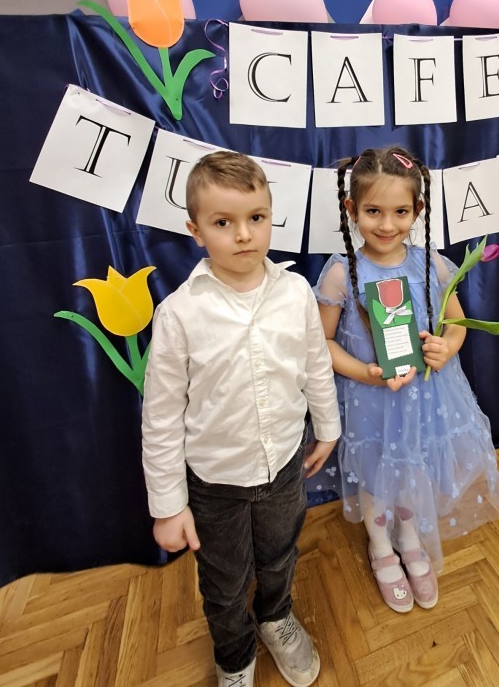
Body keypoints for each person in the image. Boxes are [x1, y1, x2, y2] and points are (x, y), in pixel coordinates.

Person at [142, 151, 341, 687]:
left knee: (279, 556)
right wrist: (168, 506)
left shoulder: (295, 292)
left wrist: (328, 427)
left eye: (256, 217)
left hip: (284, 466)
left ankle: (275, 616)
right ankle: (234, 655)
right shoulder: (179, 313)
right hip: (215, 482)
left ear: (271, 216)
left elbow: (315, 364)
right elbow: (161, 417)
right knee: (225, 581)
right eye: (223, 222)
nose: (245, 235)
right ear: (196, 231)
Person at [314, 145, 499, 614]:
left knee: (411, 465)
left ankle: (408, 535)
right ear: (351, 210)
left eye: (400, 212)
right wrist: (364, 372)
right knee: (376, 471)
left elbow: (456, 324)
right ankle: (380, 543)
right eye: (373, 211)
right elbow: (321, 344)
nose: (387, 225)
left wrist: (448, 346)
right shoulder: (341, 272)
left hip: (424, 396)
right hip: (370, 398)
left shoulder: (432, 264)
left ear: (417, 210)